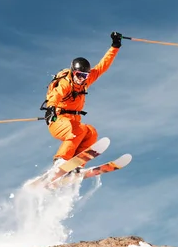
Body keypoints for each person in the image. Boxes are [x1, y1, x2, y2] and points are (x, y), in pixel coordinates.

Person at [42, 32, 123, 167]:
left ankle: (75, 165)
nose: (82, 78)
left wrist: (115, 46)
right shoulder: (66, 83)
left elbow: (103, 66)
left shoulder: (85, 82)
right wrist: (51, 107)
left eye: (85, 75)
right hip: (58, 121)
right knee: (78, 130)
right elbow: (55, 95)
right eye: (79, 75)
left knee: (91, 132)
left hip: (73, 122)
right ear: (73, 72)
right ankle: (60, 160)